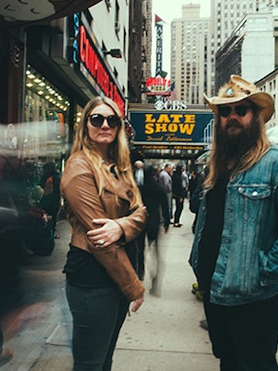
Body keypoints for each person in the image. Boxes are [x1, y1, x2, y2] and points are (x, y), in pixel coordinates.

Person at [190, 75, 278, 370]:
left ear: (256, 117)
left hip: (255, 299)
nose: (232, 117)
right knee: (229, 363)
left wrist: (265, 273)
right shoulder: (216, 166)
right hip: (215, 291)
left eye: (241, 110)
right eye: (224, 112)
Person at [60, 96, 147, 370]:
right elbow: (100, 241)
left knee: (105, 359)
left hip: (116, 276)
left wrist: (121, 226)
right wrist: (134, 286)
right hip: (92, 278)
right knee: (90, 364)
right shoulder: (78, 167)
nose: (105, 124)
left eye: (112, 120)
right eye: (97, 119)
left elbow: (142, 214)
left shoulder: (120, 167)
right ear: (85, 125)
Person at [138, 165, 170, 295]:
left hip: (140, 223)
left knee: (139, 250)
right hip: (154, 223)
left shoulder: (139, 189)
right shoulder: (159, 189)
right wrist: (167, 222)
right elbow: (165, 207)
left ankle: (140, 273)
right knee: (155, 253)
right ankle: (155, 280)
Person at [39, 162, 61, 236]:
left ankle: (47, 233)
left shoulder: (47, 178)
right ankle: (51, 233)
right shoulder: (57, 177)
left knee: (45, 217)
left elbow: (41, 187)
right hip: (55, 202)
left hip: (47, 201)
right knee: (53, 218)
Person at [171, 162, 188, 227]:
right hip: (179, 195)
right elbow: (179, 187)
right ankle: (176, 221)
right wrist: (181, 196)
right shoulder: (178, 177)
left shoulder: (175, 175)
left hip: (177, 194)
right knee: (179, 208)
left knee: (179, 208)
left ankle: (177, 221)